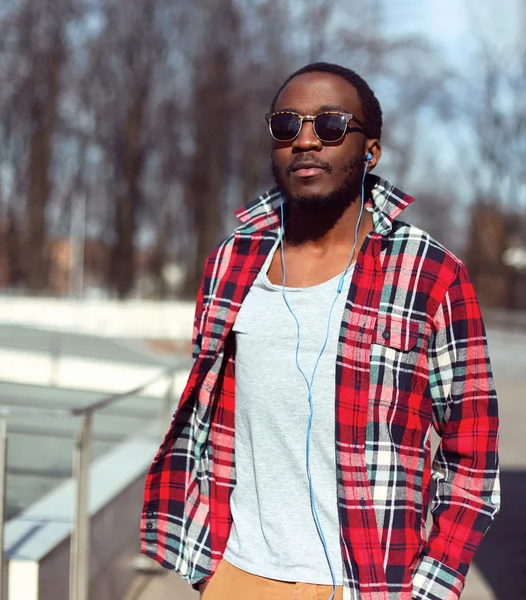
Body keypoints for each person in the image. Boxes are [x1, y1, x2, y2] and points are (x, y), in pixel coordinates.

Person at [140, 62, 500, 600]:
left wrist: (430, 585)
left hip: (372, 585)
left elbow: (471, 450)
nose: (305, 140)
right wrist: (208, 570)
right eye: (287, 125)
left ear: (369, 151)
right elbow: (204, 423)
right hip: (238, 576)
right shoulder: (230, 264)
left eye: (330, 125)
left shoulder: (429, 273)